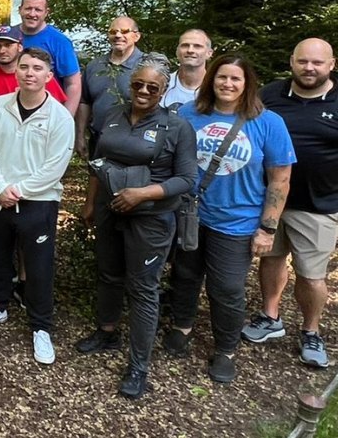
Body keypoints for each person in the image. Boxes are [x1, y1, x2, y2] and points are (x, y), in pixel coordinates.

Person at [163, 54, 295, 384]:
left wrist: (267, 228)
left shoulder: (268, 122)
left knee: (227, 288)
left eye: (236, 79)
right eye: (222, 77)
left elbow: (280, 178)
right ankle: (182, 325)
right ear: (211, 80)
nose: (228, 83)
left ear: (248, 84)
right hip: (192, 213)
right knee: (185, 274)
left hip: (237, 221)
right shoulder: (191, 114)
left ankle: (225, 349)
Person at [76, 54, 197, 399]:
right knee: (109, 273)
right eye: (138, 84)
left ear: (162, 91)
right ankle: (107, 331)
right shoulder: (114, 115)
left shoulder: (177, 127)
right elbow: (99, 162)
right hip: (109, 208)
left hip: (151, 218)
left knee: (143, 288)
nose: (143, 91)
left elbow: (186, 179)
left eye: (152, 87)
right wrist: (90, 202)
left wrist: (143, 194)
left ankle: (139, 366)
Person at [0, 48, 75, 365]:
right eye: (24, 66)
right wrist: (1, 187)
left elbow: (55, 166)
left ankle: (41, 326)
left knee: (39, 264)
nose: (29, 72)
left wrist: (18, 191)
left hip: (38, 201)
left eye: (37, 68)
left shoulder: (59, 117)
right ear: (16, 71)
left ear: (48, 75)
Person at [249, 38, 338, 368]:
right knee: (270, 260)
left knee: (312, 275)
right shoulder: (270, 95)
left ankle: (311, 330)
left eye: (317, 62)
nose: (309, 68)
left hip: (318, 204)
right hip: (270, 200)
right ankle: (270, 316)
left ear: (332, 64)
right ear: (292, 61)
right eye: (303, 61)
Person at [76, 16, 143, 159]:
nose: (118, 35)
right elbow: (84, 102)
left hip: (135, 144)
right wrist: (80, 135)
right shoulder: (94, 66)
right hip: (98, 142)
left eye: (125, 31)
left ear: (136, 36)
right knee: (96, 181)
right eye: (113, 32)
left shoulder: (147, 66)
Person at [16, 0, 81, 114]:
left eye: (38, 10)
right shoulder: (10, 36)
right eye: (28, 8)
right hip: (13, 106)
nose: (32, 14)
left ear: (46, 12)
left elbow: (73, 84)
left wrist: (67, 118)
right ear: (20, 10)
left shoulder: (59, 41)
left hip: (48, 111)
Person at [0, 25, 68, 106]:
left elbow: (57, 109)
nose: (2, 50)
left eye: (8, 45)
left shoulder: (38, 76)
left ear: (20, 47)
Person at [162, 29, 214, 109]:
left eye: (197, 46)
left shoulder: (216, 88)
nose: (190, 50)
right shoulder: (162, 84)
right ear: (177, 51)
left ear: (209, 53)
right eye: (185, 45)